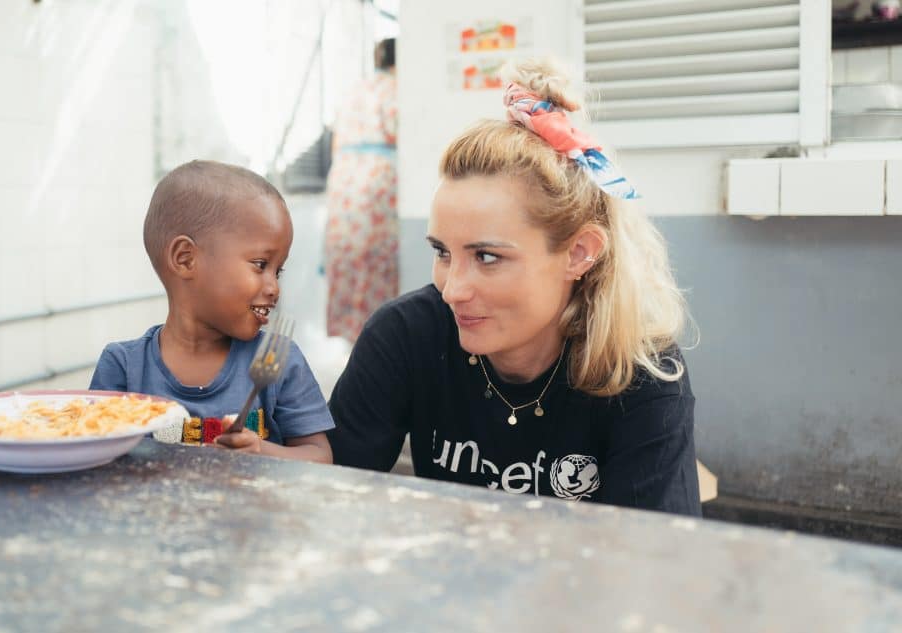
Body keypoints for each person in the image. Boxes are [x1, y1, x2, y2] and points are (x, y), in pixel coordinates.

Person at [327, 58, 701, 515]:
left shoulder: (640, 370)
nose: (452, 290)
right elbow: (329, 488)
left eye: (487, 257)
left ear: (579, 252)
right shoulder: (405, 336)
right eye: (443, 253)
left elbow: (650, 559)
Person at [90, 160, 334, 463]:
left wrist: (261, 450)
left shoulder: (279, 361)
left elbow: (320, 457)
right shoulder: (124, 368)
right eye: (260, 265)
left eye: (278, 271)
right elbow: (96, 456)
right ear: (185, 259)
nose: (274, 287)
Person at [323, 38, 399, 343]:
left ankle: (350, 335)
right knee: (377, 259)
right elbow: (400, 131)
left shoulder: (355, 89)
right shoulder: (395, 89)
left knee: (347, 257)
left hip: (343, 180)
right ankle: (375, 337)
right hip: (376, 180)